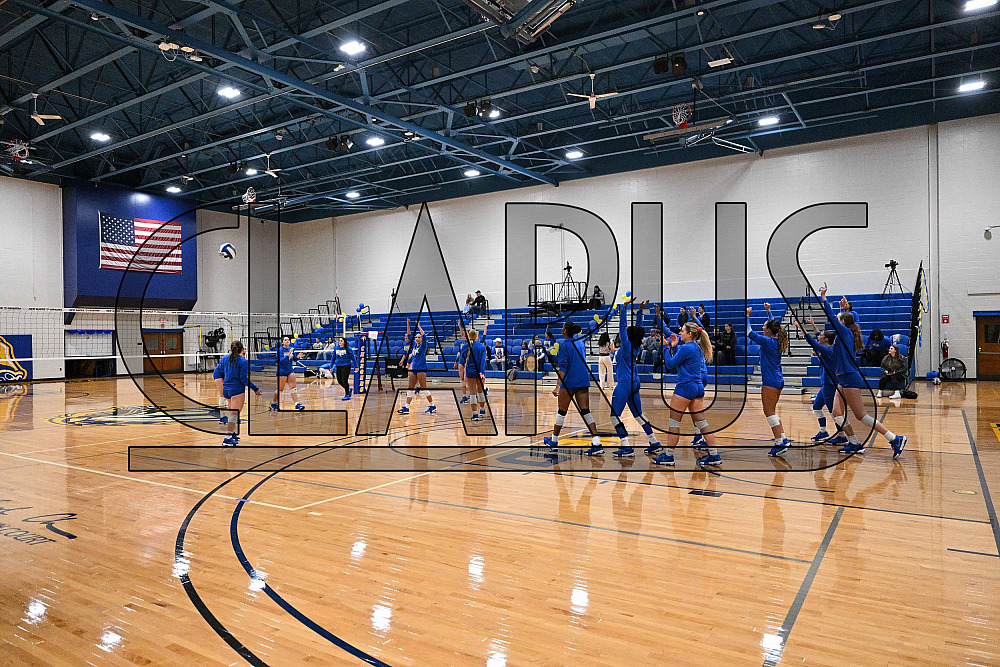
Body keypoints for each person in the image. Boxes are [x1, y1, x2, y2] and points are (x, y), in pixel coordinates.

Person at [819, 282, 907, 458]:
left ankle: (894, 438)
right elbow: (847, 320)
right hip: (842, 379)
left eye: (839, 319)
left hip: (850, 378)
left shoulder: (845, 333)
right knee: (837, 413)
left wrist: (824, 298)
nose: (836, 321)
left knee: (862, 416)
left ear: (842, 323)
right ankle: (853, 443)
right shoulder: (845, 333)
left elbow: (834, 318)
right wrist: (844, 308)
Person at [652, 321, 723, 466]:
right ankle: (714, 455)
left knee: (674, 423)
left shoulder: (686, 348)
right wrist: (675, 346)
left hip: (685, 387)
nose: (680, 333)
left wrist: (665, 347)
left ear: (689, 334)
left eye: (682, 331)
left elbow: (670, 364)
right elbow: (682, 362)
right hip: (698, 387)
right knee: (702, 423)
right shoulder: (697, 347)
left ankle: (668, 456)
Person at [603, 298, 662, 457]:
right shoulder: (637, 344)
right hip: (635, 382)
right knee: (638, 415)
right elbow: (638, 329)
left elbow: (623, 326)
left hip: (624, 383)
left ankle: (626, 446)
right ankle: (654, 442)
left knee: (614, 416)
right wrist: (640, 311)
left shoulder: (627, 345)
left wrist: (623, 308)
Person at [542, 322, 603, 453]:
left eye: (563, 328)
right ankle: (596, 442)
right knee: (586, 411)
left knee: (561, 411)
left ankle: (554, 440)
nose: (561, 330)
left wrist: (557, 385)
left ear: (565, 331)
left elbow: (563, 367)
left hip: (570, 381)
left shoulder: (564, 344)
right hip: (583, 379)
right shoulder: (580, 342)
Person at [746, 303, 790, 457]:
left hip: (770, 382)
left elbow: (749, 332)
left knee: (769, 412)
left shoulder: (768, 341)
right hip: (778, 380)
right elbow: (775, 325)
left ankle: (779, 443)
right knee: (772, 411)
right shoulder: (776, 339)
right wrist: (769, 312)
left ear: (768, 330)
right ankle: (783, 438)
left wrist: (747, 316)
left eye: (764, 326)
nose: (762, 327)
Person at [794, 315, 839, 443]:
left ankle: (842, 436)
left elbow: (812, 342)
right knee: (817, 406)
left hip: (830, 384)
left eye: (821, 336)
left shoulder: (827, 350)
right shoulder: (828, 346)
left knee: (833, 411)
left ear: (826, 340)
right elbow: (818, 335)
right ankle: (823, 432)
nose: (818, 336)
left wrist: (801, 327)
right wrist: (813, 324)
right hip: (826, 384)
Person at [220, 341, 262, 446]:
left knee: (233, 413)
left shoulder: (225, 358)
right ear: (242, 349)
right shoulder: (243, 361)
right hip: (236, 390)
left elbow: (221, 372)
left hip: (226, 390)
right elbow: (244, 379)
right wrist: (255, 389)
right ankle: (227, 439)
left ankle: (232, 433)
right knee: (234, 414)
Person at [397, 318, 437, 414]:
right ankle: (406, 407)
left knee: (424, 388)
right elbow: (409, 335)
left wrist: (419, 326)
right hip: (414, 369)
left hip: (421, 369)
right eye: (416, 337)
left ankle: (432, 405)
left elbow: (424, 336)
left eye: (419, 337)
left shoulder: (423, 346)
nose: (417, 338)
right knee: (410, 387)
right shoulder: (414, 345)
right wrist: (408, 323)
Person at [270, 336, 305, 411]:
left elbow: (294, 359)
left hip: (290, 370)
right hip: (281, 371)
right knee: (280, 389)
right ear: (282, 342)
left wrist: (298, 356)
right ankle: (273, 403)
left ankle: (297, 404)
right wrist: (288, 355)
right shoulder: (280, 350)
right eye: (285, 340)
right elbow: (280, 361)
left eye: (288, 340)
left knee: (293, 388)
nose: (287, 341)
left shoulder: (291, 349)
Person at [465, 329, 489, 420]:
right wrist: (482, 372)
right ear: (477, 336)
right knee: (480, 391)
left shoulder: (465, 346)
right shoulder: (482, 346)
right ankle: (482, 410)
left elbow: (463, 360)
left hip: (470, 371)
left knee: (472, 393)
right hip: (480, 372)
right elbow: (483, 361)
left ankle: (475, 414)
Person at [455, 331, 470, 403]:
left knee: (467, 379)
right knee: (461, 379)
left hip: (468, 361)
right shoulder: (461, 343)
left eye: (466, 334)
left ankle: (473, 393)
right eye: (464, 335)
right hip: (461, 361)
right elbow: (459, 353)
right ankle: (464, 396)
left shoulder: (471, 343)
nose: (465, 336)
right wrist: (456, 362)